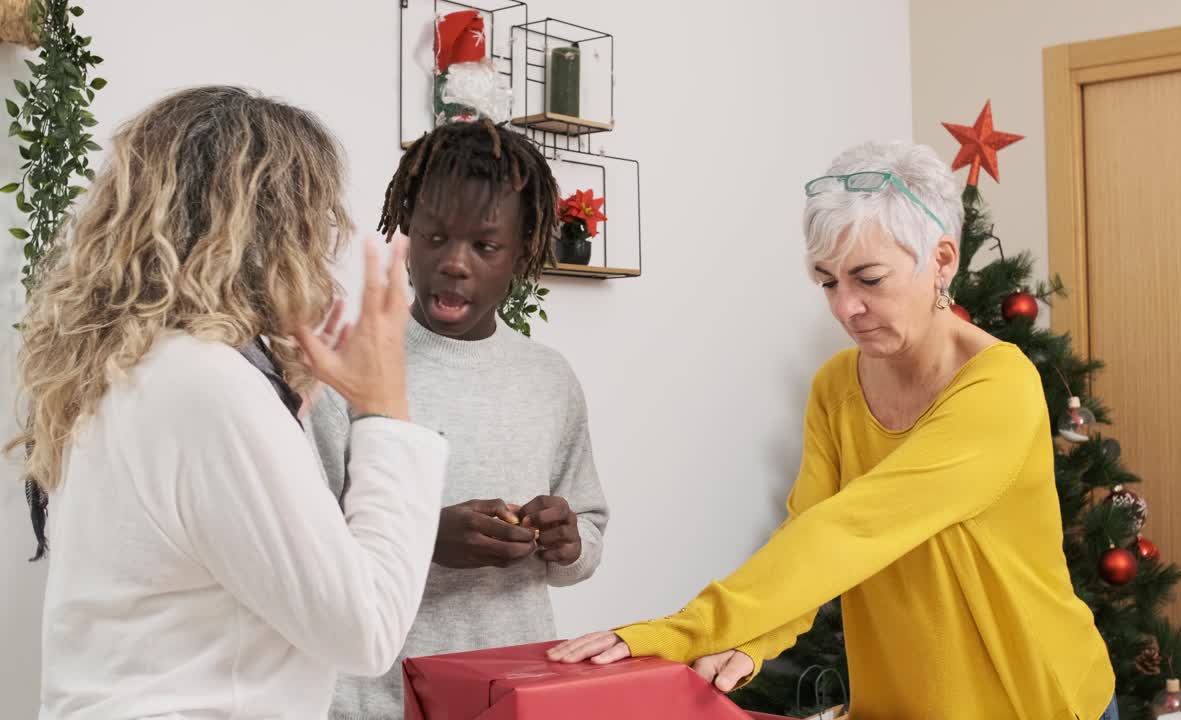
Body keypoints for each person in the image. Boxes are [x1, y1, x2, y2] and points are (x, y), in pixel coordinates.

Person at [548, 141, 1120, 720]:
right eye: (828, 281)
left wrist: (683, 630)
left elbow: (855, 528)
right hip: (897, 703)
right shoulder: (837, 387)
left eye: (869, 279)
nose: (845, 307)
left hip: (1033, 699)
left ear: (942, 261)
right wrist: (752, 640)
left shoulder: (998, 387)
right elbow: (811, 530)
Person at [9, 86, 448, 720]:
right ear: (270, 228)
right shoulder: (206, 385)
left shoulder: (131, 364)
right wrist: (385, 413)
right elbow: (366, 628)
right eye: (314, 218)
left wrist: (281, 408)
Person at [308, 119, 609, 720]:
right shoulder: (347, 366)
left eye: (485, 246)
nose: (454, 263)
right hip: (371, 701)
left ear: (522, 251)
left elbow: (590, 529)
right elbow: (308, 551)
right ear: (405, 235)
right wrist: (421, 539)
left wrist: (569, 541)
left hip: (510, 693)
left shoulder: (549, 378)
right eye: (434, 237)